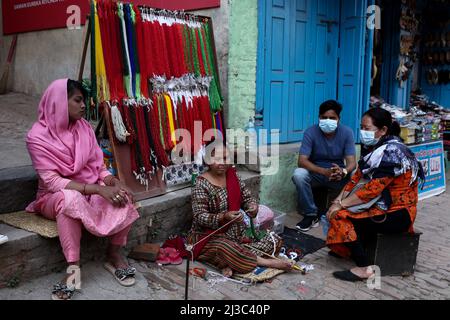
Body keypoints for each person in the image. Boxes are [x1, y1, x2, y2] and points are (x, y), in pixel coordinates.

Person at [25, 79, 140, 299]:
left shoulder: (84, 128)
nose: (84, 106)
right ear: (59, 102)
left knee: (123, 195)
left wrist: (111, 182)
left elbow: (98, 166)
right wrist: (96, 190)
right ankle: (73, 269)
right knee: (70, 200)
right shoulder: (37, 137)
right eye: (77, 100)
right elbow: (52, 181)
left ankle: (114, 254)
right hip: (53, 197)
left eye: (83, 101)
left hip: (88, 190)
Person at [326, 107, 424, 282]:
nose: (363, 132)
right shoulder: (376, 148)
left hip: (398, 213)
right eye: (361, 128)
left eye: (367, 128)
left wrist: (340, 205)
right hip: (382, 206)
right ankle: (348, 249)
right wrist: (338, 199)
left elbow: (371, 190)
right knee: (336, 209)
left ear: (383, 130)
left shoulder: (392, 152)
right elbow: (356, 178)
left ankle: (363, 268)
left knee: (340, 216)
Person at [187, 144, 294, 278]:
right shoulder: (200, 183)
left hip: (236, 233)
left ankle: (228, 262)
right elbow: (199, 216)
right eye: (217, 158)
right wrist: (224, 217)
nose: (222, 162)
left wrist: (252, 206)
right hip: (207, 236)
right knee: (226, 248)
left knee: (274, 240)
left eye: (226, 158)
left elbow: (246, 197)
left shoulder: (232, 176)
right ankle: (267, 262)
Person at [292, 100, 357, 232]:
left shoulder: (347, 132)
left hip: (338, 175)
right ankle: (310, 214)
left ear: (339, 119)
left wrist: (343, 171)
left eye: (332, 118)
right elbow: (302, 161)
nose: (328, 120)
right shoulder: (311, 132)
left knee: (357, 174)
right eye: (324, 117)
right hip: (317, 173)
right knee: (299, 174)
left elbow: (352, 162)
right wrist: (323, 171)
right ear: (319, 118)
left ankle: (344, 210)